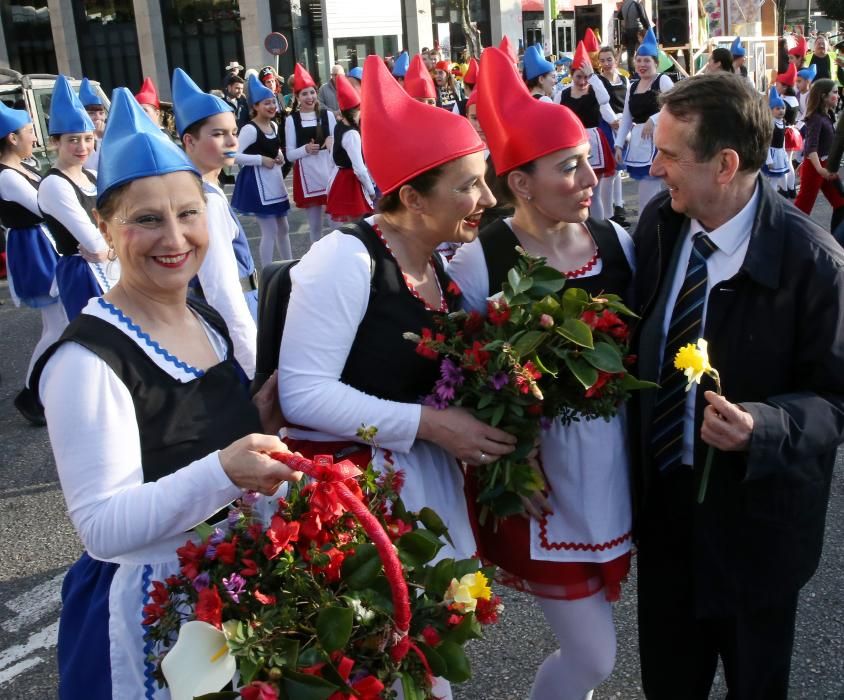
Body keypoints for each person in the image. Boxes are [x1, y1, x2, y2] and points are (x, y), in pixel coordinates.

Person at [32, 87, 300, 698]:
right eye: (147, 219)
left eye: (188, 213)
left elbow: (187, 432)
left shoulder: (202, 316)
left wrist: (255, 414)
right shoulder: (86, 360)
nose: (175, 238)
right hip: (153, 612)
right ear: (106, 226)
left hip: (229, 586)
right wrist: (226, 470)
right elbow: (102, 527)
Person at [631, 71, 844, 700]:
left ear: (725, 164)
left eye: (670, 154)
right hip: (667, 519)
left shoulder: (816, 265)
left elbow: (836, 399)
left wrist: (764, 426)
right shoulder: (661, 226)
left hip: (758, 534)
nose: (655, 165)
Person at [278, 57, 514, 608]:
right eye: (469, 186)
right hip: (359, 496)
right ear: (411, 199)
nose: (488, 199)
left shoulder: (436, 263)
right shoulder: (346, 259)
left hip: (420, 475)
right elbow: (302, 395)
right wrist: (430, 423)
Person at [449, 44, 634, 700]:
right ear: (520, 183)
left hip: (614, 473)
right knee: (593, 656)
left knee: (589, 653)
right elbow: (453, 372)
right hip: (540, 485)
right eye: (569, 167)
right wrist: (504, 466)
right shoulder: (480, 262)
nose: (590, 177)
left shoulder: (616, 243)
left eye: (588, 161)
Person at [172, 67, 259, 377]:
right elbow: (222, 287)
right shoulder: (206, 200)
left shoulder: (196, 187)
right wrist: (254, 365)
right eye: (218, 134)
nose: (231, 141)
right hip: (231, 313)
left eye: (233, 132)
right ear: (189, 141)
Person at [0, 102, 67, 425]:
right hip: (34, 249)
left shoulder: (24, 167)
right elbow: (44, 207)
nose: (34, 138)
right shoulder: (7, 176)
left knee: (59, 324)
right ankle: (31, 393)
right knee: (56, 325)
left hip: (43, 243)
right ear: (12, 138)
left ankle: (41, 390)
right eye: (29, 132)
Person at [39, 75, 119, 322]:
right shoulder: (54, 184)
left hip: (114, 267)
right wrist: (118, 245)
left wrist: (112, 249)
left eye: (87, 139)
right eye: (72, 140)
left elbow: (124, 220)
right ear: (55, 142)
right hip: (83, 275)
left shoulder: (94, 175)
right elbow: (94, 244)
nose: (82, 147)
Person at [232, 74, 292, 267]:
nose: (272, 106)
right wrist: (260, 160)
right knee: (270, 231)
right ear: (255, 106)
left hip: (274, 182)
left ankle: (289, 264)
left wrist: (278, 157)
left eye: (273, 102)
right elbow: (233, 156)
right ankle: (267, 271)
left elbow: (272, 151)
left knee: (284, 227)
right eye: (266, 103)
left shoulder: (274, 125)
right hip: (257, 184)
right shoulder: (249, 129)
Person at [615, 28, 674, 217]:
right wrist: (618, 144)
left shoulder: (663, 81)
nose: (642, 64)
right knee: (650, 194)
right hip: (639, 144)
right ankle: (653, 229)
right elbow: (626, 118)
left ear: (656, 63)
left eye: (647, 60)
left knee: (650, 194)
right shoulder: (632, 86)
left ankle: (646, 230)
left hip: (660, 142)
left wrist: (654, 118)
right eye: (639, 60)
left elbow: (676, 104)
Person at [558, 41, 618, 221]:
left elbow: (606, 98)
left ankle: (600, 227)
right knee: (577, 190)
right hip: (572, 143)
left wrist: (593, 76)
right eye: (579, 77)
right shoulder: (563, 94)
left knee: (595, 192)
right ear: (571, 76)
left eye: (585, 77)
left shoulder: (594, 91)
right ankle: (581, 224)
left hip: (592, 142)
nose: (583, 81)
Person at [285, 63, 336, 245]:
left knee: (335, 224)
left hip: (330, 172)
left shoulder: (327, 115)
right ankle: (317, 260)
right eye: (304, 93)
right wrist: (305, 150)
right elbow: (289, 155)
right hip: (308, 176)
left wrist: (332, 143)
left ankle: (336, 257)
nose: (310, 97)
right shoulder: (292, 120)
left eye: (312, 92)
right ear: (297, 97)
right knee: (315, 227)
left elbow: (341, 146)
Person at [793, 78, 844, 230]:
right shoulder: (816, 118)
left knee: (841, 203)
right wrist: (819, 169)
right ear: (823, 96)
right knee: (802, 208)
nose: (838, 95)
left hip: (825, 166)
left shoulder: (827, 115)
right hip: (817, 169)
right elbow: (811, 147)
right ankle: (788, 238)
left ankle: (836, 241)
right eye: (834, 92)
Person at [325, 73, 375, 225]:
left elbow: (333, 158)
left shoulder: (339, 126)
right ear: (355, 111)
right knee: (356, 226)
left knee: (349, 226)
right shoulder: (352, 134)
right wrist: (371, 190)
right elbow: (359, 168)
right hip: (350, 183)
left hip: (340, 178)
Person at [597, 46, 629, 225]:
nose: (606, 63)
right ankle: (609, 212)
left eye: (609, 59)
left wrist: (626, 122)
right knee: (611, 171)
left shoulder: (624, 79)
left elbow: (629, 101)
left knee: (618, 170)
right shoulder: (599, 81)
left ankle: (619, 206)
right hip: (608, 127)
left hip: (624, 126)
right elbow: (602, 105)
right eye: (602, 60)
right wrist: (612, 121)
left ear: (615, 60)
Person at [78, 77, 105, 171]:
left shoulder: (111, 134)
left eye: (101, 113)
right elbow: (95, 168)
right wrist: (100, 138)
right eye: (92, 113)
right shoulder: (80, 138)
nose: (98, 117)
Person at [619, 0, 650, 73]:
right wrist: (649, 28)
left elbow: (619, 16)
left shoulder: (624, 5)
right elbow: (642, 18)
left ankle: (631, 72)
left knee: (630, 53)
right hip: (638, 30)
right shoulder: (637, 4)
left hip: (627, 31)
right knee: (640, 50)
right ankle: (643, 69)